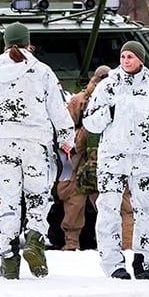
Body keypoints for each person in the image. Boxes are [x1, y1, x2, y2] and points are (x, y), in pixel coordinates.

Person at [0, 23, 74, 280]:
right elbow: (58, 109)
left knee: (8, 200)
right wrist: (66, 138)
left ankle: (8, 259)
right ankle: (35, 241)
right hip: (37, 145)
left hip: (4, 143)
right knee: (38, 197)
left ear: (4, 44)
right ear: (29, 44)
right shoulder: (42, 71)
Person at [83, 40, 149, 279]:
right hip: (113, 159)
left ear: (141, 60)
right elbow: (89, 121)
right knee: (109, 210)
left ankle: (145, 263)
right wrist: (109, 112)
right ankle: (113, 264)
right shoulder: (108, 87)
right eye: (123, 56)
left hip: (145, 159)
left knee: (145, 210)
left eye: (131, 57)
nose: (125, 60)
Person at [57, 65, 110, 251]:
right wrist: (83, 135)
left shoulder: (117, 100)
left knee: (110, 201)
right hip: (80, 158)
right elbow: (65, 130)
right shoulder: (79, 101)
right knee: (73, 199)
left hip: (104, 156)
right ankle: (71, 243)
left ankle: (117, 243)